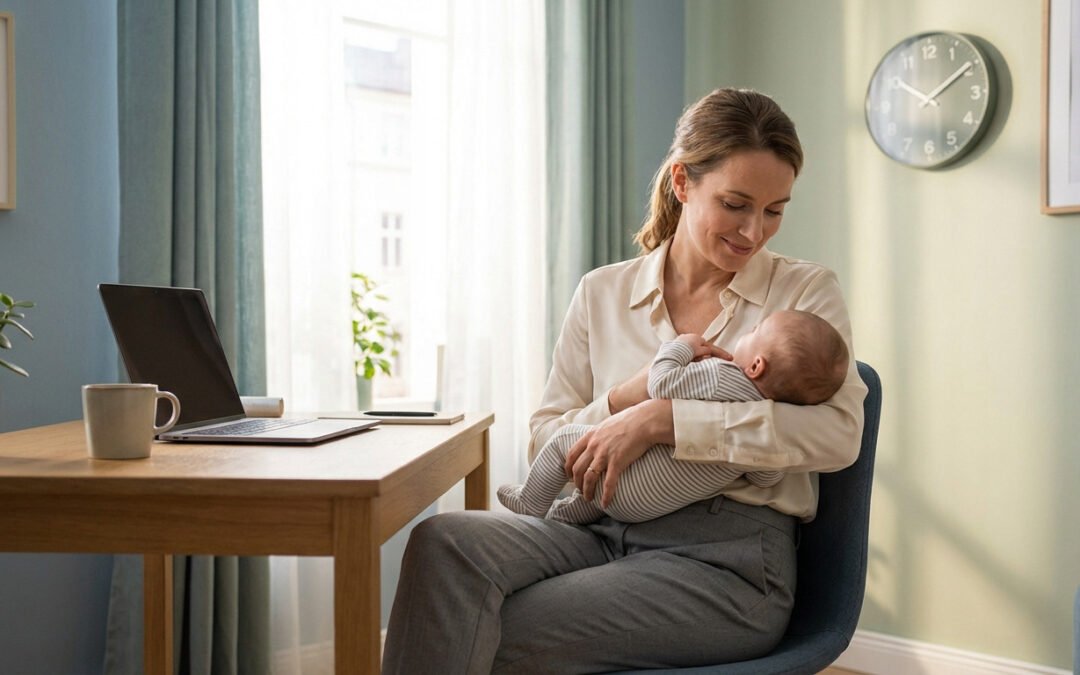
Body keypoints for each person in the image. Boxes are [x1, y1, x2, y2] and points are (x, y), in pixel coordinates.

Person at [382, 87, 867, 673]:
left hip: (725, 561)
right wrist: (625, 400)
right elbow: (545, 439)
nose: (755, 231)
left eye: (774, 210)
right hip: (595, 525)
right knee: (444, 545)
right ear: (682, 183)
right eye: (736, 204)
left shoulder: (804, 293)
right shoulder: (602, 292)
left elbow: (839, 435)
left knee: (481, 627)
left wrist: (667, 421)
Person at [497, 309, 849, 524]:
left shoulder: (721, 374)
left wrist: (680, 346)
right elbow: (765, 478)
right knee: (605, 483)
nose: (749, 330)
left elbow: (662, 382)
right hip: (650, 507)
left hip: (623, 485)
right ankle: (571, 512)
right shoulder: (766, 427)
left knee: (563, 440)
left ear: (756, 365)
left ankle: (531, 502)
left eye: (755, 332)